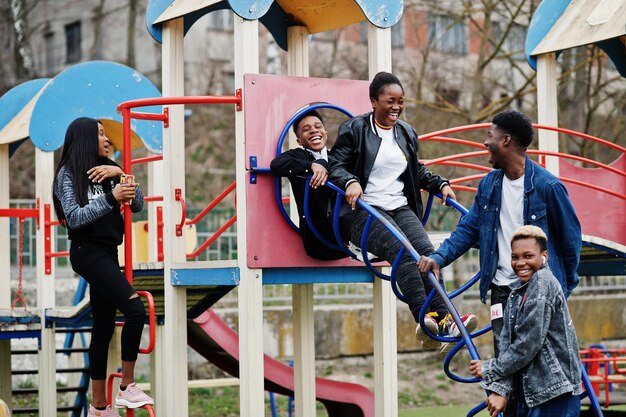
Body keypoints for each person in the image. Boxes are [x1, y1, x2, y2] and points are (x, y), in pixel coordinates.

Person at [329, 71, 477, 352]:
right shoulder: (355, 129)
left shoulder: (406, 132)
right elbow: (335, 164)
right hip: (365, 212)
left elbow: (415, 170)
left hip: (399, 206)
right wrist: (350, 182)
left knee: (428, 255)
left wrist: (440, 184)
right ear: (374, 101)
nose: (396, 107)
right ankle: (426, 320)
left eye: (400, 101)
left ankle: (447, 321)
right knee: (404, 252)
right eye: (389, 101)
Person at [53, 117, 154, 417]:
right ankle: (127, 386)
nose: (106, 138)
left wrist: (123, 173)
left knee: (103, 327)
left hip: (110, 252)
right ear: (84, 139)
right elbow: (74, 217)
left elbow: (138, 205)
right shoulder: (68, 175)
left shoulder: (111, 169)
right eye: (99, 134)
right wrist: (111, 197)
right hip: (87, 251)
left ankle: (99, 407)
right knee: (136, 310)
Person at [468, 225, 581, 417]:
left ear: (543, 256)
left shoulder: (542, 282)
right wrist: (501, 388)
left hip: (553, 392)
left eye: (528, 256)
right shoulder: (516, 292)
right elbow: (508, 343)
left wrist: (490, 368)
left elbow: (528, 343)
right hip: (532, 393)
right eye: (515, 257)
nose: (520, 263)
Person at [270, 110, 347, 260]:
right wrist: (311, 166)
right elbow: (277, 165)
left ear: (325, 131)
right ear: (299, 140)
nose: (313, 130)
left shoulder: (337, 157)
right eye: (306, 129)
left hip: (343, 238)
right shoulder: (299, 156)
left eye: (318, 126)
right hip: (318, 240)